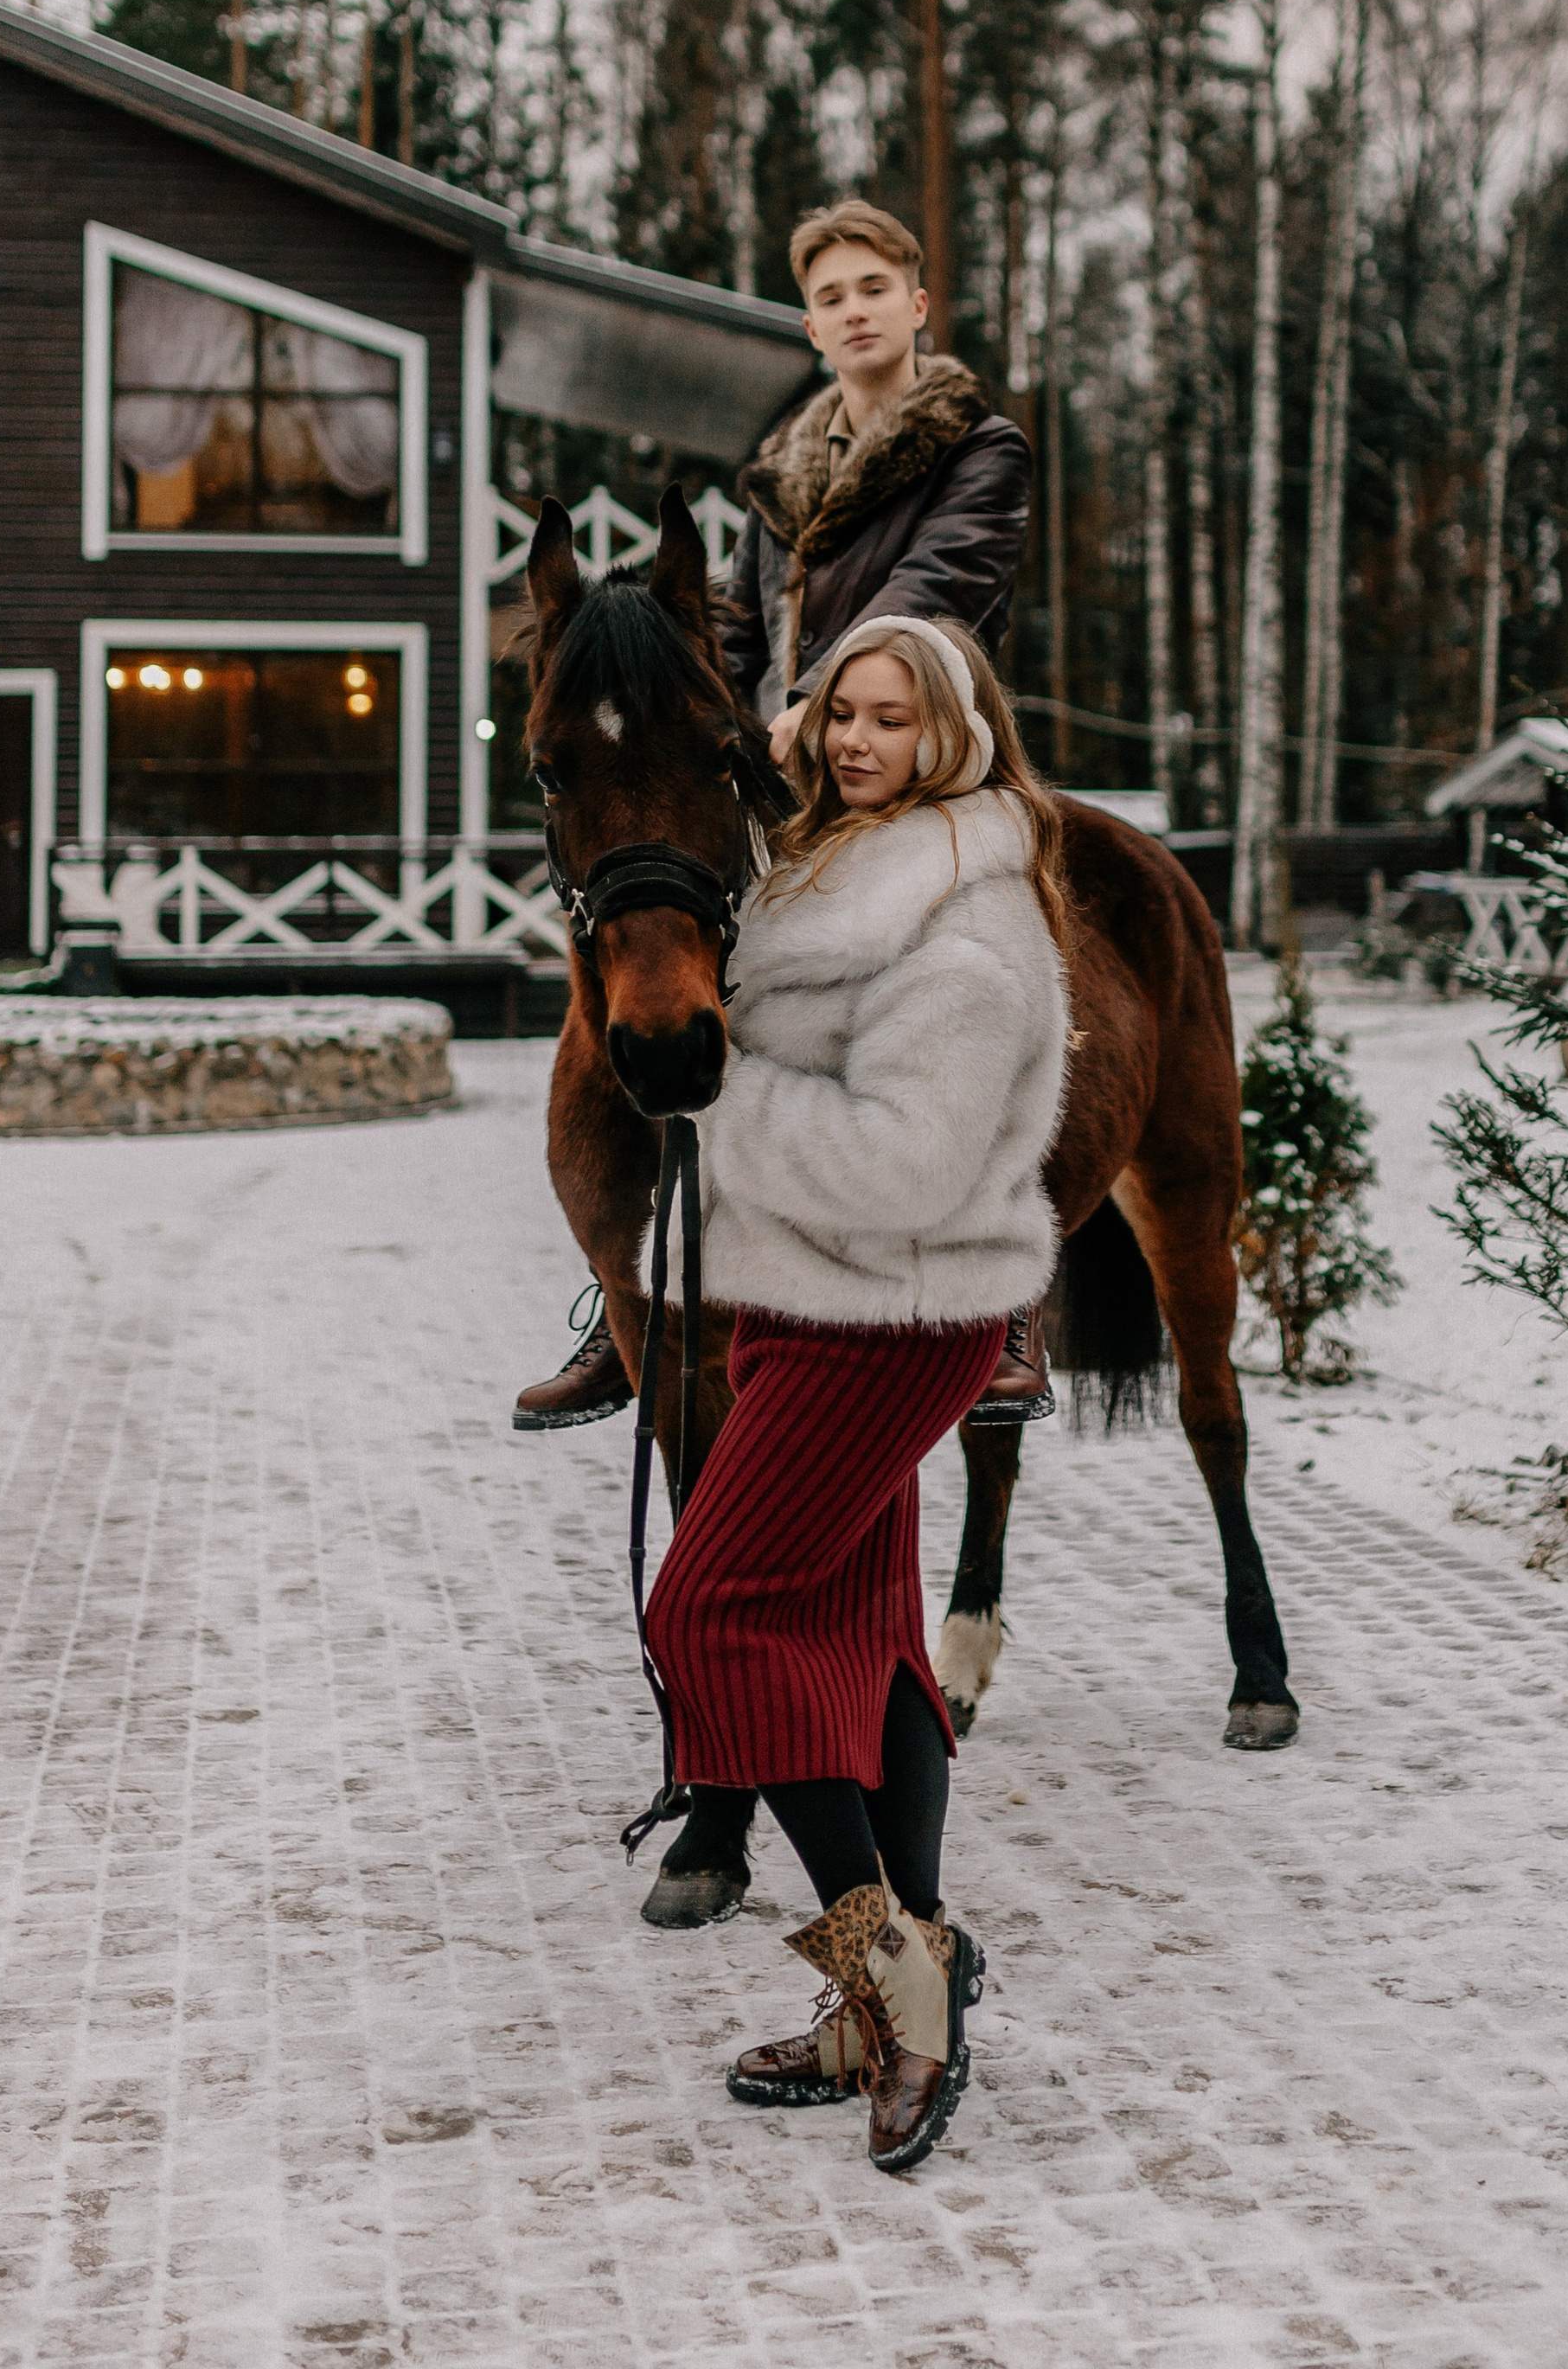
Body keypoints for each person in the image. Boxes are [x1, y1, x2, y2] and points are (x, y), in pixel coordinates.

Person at [642, 613, 1071, 2173]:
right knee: (853, 1625)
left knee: (710, 1607)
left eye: (892, 720)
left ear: (950, 736)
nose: (853, 742)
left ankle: (898, 1972)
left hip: (892, 1308)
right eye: (838, 714)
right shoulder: (826, 864)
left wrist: (721, 1104)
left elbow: (906, 1161)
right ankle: (891, 1997)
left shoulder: (962, 925)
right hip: (804, 1296)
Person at [512, 199, 1050, 1433]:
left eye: (876, 287)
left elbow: (941, 586)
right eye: (831, 296)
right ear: (811, 327)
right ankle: (627, 1280)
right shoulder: (777, 477)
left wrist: (819, 700)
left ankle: (1003, 1288)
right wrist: (722, 720)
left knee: (994, 947)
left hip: (930, 745)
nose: (854, 309)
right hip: (782, 763)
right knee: (667, 923)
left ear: (916, 305)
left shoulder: (981, 448)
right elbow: (732, 628)